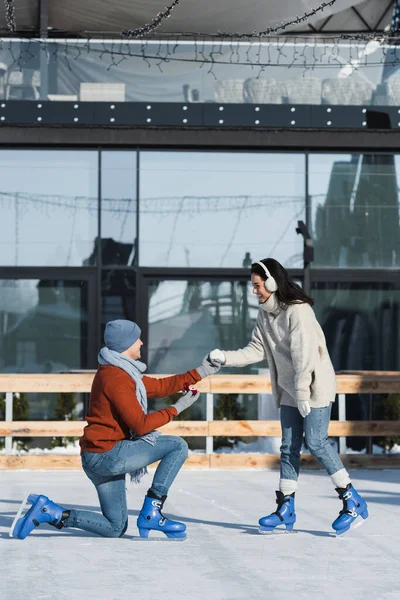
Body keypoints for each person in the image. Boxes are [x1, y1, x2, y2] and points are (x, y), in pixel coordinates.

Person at [10, 319, 221, 541]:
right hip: (107, 456)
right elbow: (140, 425)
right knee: (177, 446)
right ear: (126, 344)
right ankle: (152, 512)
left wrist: (202, 371)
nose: (141, 342)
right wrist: (176, 409)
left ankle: (51, 513)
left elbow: (160, 387)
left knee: (115, 527)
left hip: (98, 456)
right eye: (137, 339)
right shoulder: (116, 378)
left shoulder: (121, 373)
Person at [209, 258, 368, 536]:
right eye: (253, 286)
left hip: (314, 387)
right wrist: (225, 357)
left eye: (258, 286)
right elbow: (255, 350)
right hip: (291, 390)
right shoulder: (264, 315)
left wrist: (304, 392)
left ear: (272, 282)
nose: (255, 291)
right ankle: (286, 507)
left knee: (316, 442)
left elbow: (303, 355)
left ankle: (352, 500)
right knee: (289, 446)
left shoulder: (298, 312)